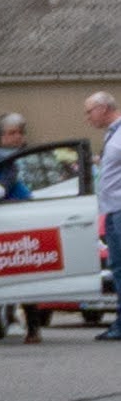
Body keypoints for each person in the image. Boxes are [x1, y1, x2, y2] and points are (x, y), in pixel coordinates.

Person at [89, 92, 120, 342]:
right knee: (117, 267)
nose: (88, 117)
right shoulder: (112, 134)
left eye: (90, 111)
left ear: (103, 108)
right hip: (111, 210)